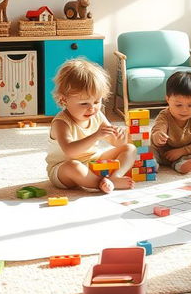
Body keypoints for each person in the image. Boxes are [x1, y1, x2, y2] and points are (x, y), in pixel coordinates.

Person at [46, 59, 136, 194]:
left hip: (93, 160)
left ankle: (114, 178)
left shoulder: (97, 114)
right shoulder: (61, 123)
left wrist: (120, 135)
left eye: (96, 101)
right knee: (73, 167)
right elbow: (70, 152)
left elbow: (116, 143)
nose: (92, 108)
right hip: (63, 168)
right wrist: (96, 135)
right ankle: (99, 183)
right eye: (84, 103)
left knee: (130, 148)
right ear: (64, 100)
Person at [151, 71, 191, 174]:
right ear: (168, 99)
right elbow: (158, 130)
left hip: (183, 155)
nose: (184, 110)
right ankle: (152, 164)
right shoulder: (164, 115)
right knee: (146, 148)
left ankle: (179, 164)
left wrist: (181, 151)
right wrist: (158, 136)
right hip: (162, 153)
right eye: (178, 105)